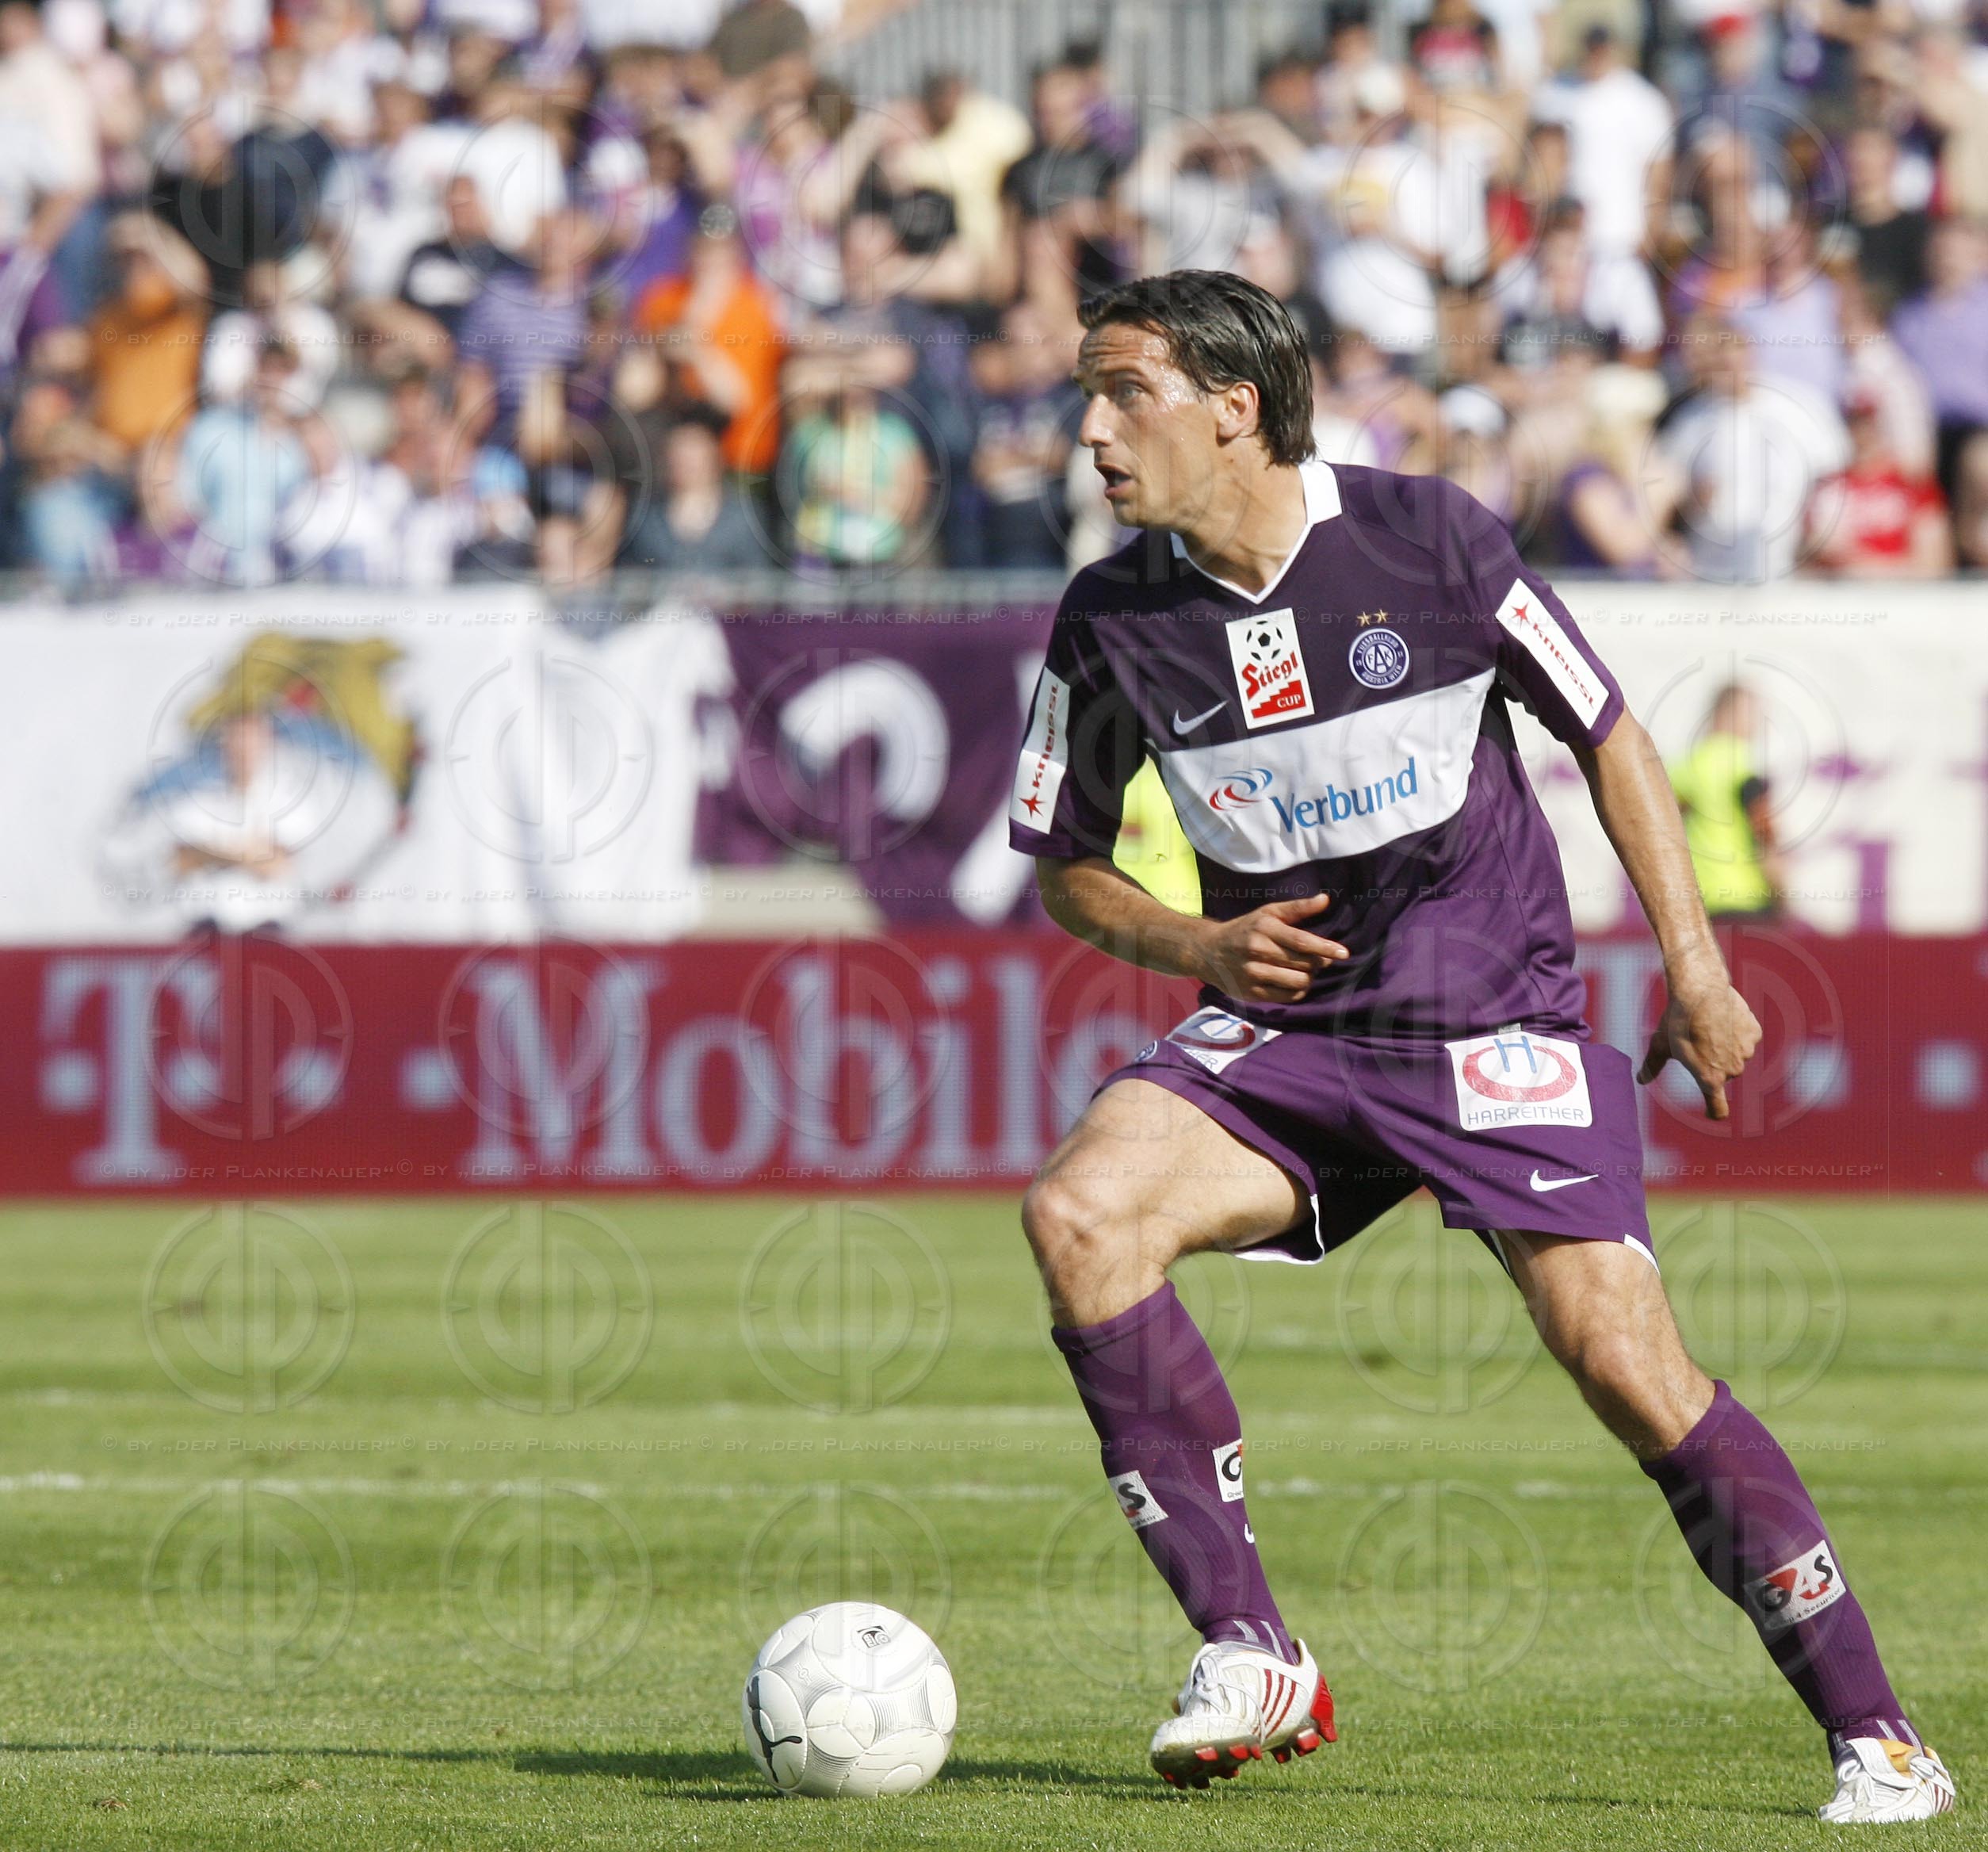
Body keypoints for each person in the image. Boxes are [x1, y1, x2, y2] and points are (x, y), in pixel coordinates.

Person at [1007, 270, 1954, 1820]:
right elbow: (1068, 861)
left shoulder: (1427, 539)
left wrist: (1697, 967)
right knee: (1082, 1212)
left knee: (1625, 1366)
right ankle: (1251, 1648)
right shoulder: (1113, 618)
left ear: (1234, 409)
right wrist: (1194, 947)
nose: (1094, 430)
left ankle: (1880, 1735)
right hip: (1285, 1031)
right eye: (1088, 396)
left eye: (1128, 394)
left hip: (1488, 1021)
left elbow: (1608, 729)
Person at [1668, 682, 1785, 920]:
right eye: (1751, 714)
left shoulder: (1683, 768)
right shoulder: (1744, 767)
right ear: (1730, 714)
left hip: (1697, 904)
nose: (1756, 725)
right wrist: (1782, 897)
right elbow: (1765, 838)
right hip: (1746, 900)